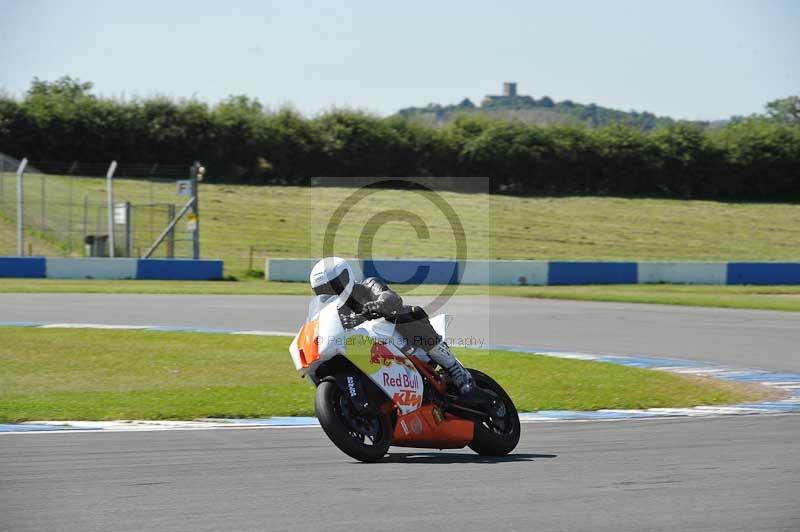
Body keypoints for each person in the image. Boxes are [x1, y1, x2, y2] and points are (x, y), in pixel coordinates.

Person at [309, 257, 493, 404]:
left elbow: (390, 297)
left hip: (399, 343)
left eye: (333, 286)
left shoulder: (367, 286)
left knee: (407, 314)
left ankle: (455, 370)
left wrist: (379, 303)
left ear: (345, 277)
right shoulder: (332, 314)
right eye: (324, 289)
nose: (330, 292)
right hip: (365, 353)